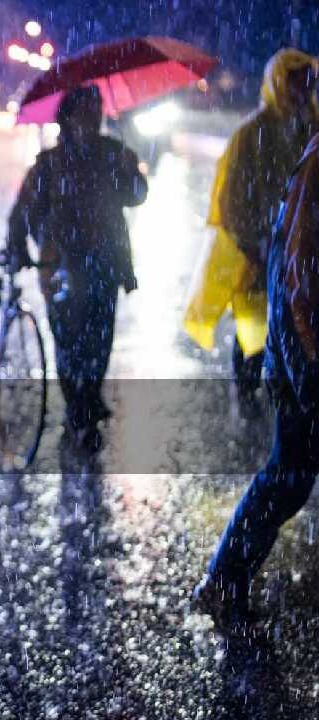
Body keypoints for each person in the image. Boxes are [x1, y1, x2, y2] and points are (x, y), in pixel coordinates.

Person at [193, 131, 319, 631]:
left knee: (287, 477)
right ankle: (222, 582)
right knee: (287, 476)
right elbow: (299, 270)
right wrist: (306, 358)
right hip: (304, 352)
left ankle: (222, 582)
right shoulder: (312, 162)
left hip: (299, 349)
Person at [6, 85, 148, 452]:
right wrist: (18, 249)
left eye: (97, 110)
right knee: (69, 343)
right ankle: (79, 411)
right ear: (68, 118)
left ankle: (88, 398)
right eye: (86, 111)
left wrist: (128, 164)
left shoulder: (113, 154)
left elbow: (137, 195)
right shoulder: (49, 164)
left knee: (100, 341)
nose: (93, 117)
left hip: (104, 264)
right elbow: (22, 214)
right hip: (61, 268)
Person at [183, 49, 319, 415]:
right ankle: (247, 394)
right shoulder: (250, 134)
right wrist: (253, 246)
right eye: (296, 81)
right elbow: (230, 201)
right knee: (254, 327)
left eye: (309, 81)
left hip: (301, 251)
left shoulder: (313, 129)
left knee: (295, 325)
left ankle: (285, 396)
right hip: (262, 249)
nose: (304, 90)